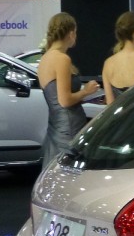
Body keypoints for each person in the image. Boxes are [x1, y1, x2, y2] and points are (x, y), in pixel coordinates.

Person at [36, 12, 101, 165]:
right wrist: (86, 91)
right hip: (70, 125)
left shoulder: (45, 58)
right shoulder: (62, 59)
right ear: (71, 33)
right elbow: (65, 101)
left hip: (55, 126)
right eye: (76, 32)